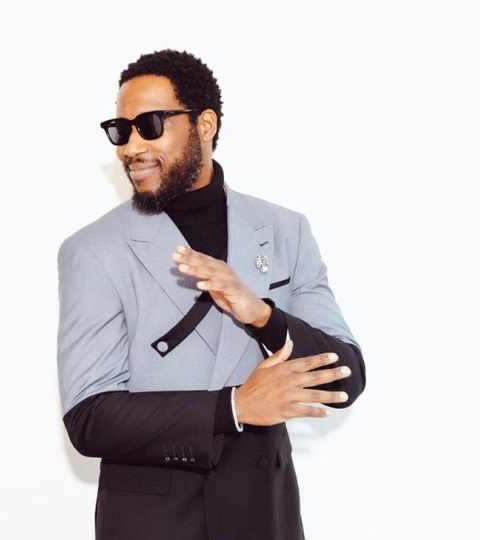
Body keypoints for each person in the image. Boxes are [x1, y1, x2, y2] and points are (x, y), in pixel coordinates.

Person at [57, 49, 366, 540]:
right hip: (153, 524)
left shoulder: (284, 230)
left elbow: (346, 377)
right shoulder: (94, 250)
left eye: (149, 125)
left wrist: (262, 315)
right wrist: (234, 407)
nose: (130, 147)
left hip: (265, 516)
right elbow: (88, 418)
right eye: (120, 130)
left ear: (204, 124)